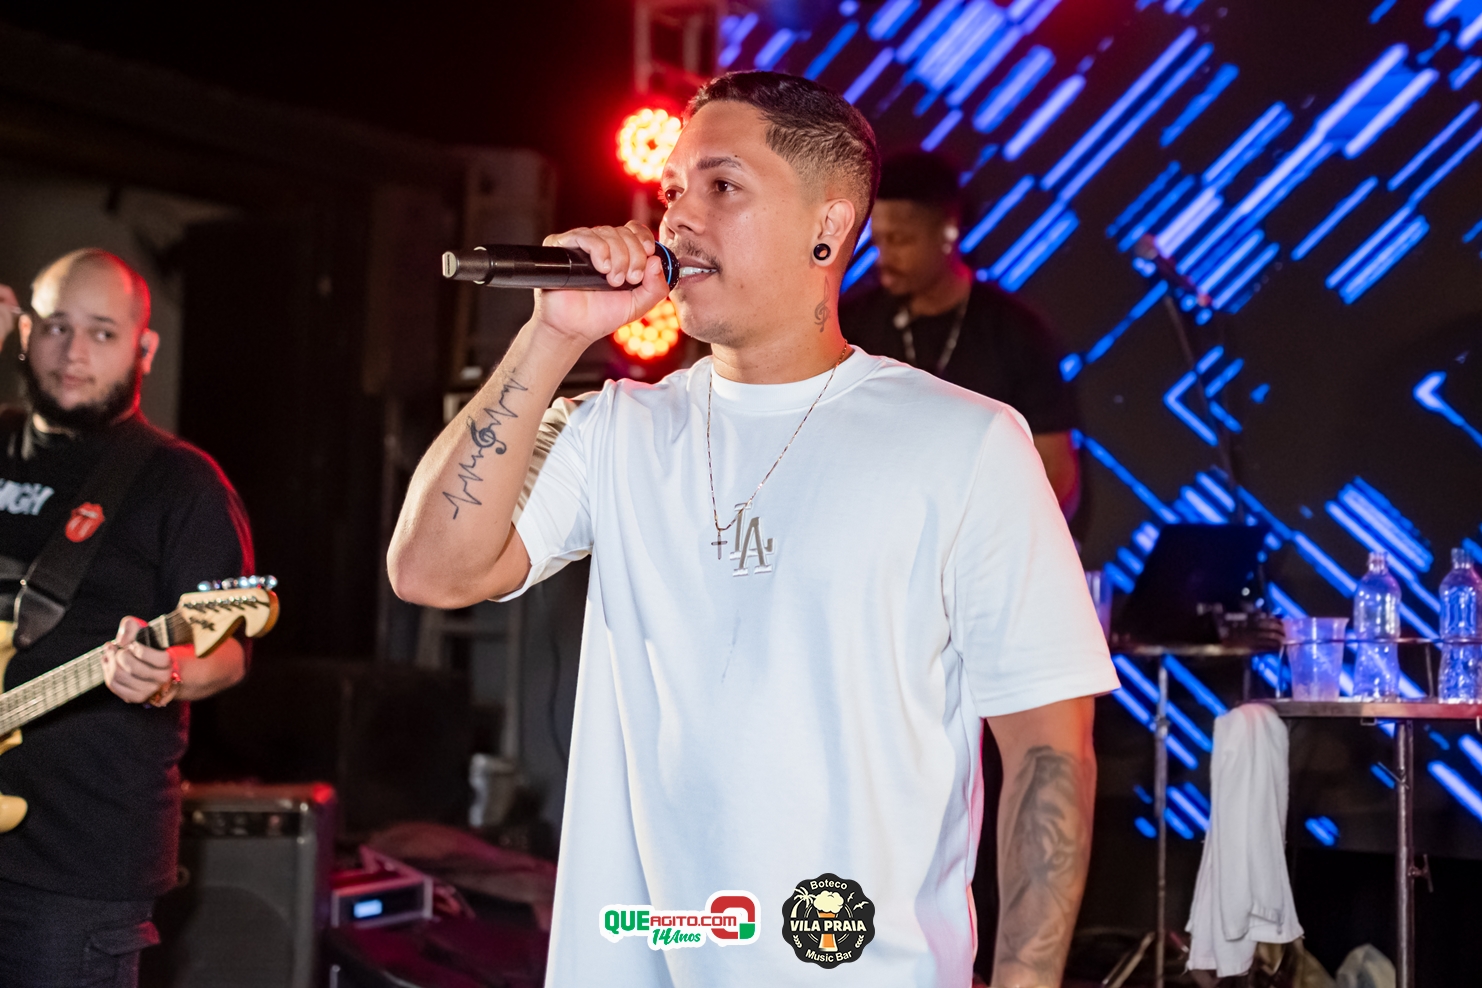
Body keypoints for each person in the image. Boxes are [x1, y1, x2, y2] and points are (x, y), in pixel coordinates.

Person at [390, 71, 1117, 988]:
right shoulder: (615, 427)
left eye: (722, 186)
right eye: (672, 191)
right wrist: (552, 337)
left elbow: (1049, 750)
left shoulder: (965, 442)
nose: (677, 220)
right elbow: (433, 572)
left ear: (829, 224)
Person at [0, 250, 253, 988]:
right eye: (56, 326)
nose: (73, 352)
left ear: (144, 348)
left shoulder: (179, 482)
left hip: (74, 868)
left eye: (102, 333)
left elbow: (229, 652)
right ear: (23, 332)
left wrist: (167, 671)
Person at [840, 150, 1081, 518]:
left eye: (900, 240)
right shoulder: (850, 325)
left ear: (948, 232)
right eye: (879, 241)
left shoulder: (1015, 332)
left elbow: (1057, 475)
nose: (884, 258)